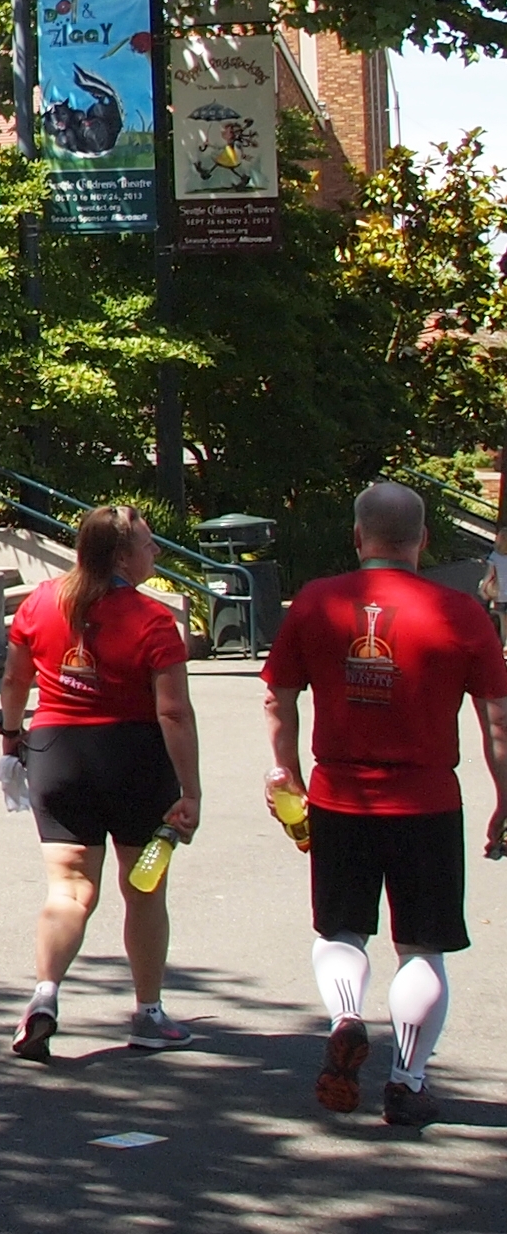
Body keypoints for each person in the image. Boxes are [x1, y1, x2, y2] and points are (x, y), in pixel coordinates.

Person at [263, 478, 507, 1128]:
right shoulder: (462, 614)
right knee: (422, 947)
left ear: (357, 537)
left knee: (341, 930)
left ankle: (346, 1015)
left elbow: (278, 694)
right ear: (423, 540)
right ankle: (407, 1079)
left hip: (339, 795)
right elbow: (497, 719)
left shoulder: (316, 601)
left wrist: (284, 771)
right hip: (426, 800)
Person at [0, 502, 202, 1059]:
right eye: (147, 543)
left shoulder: (39, 603)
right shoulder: (154, 621)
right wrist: (191, 791)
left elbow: (16, 679)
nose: (155, 551)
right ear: (121, 555)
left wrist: (10, 741)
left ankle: (44, 995)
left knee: (68, 889)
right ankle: (148, 1013)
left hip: (57, 754)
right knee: (143, 887)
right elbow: (174, 713)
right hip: (134, 757)